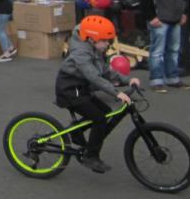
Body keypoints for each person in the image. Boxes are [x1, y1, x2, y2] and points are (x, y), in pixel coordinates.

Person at [56, 15, 141, 173]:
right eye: (104, 40)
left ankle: (76, 130)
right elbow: (94, 77)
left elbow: (105, 71)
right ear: (91, 39)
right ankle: (91, 156)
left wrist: (127, 80)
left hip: (81, 88)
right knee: (100, 119)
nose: (107, 44)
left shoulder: (93, 48)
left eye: (108, 40)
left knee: (106, 111)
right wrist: (117, 93)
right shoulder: (81, 53)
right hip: (69, 90)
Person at [139, 0, 190, 93]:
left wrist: (184, 12)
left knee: (173, 50)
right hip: (159, 18)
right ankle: (156, 80)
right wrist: (151, 16)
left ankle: (172, 78)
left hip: (176, 17)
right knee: (157, 51)